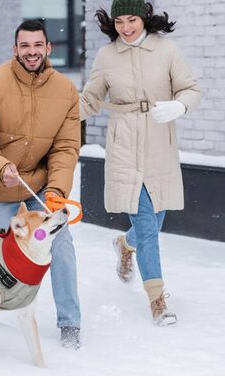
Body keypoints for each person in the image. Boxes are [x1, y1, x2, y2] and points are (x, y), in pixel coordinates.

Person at [80, 0, 201, 325]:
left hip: (160, 143)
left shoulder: (167, 49)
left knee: (154, 221)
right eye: (119, 22)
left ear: (144, 17)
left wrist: (180, 107)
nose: (126, 28)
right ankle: (158, 300)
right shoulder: (107, 56)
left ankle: (123, 244)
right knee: (147, 226)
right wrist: (57, 114)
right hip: (124, 144)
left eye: (131, 19)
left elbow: (191, 89)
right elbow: (90, 99)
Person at [0, 19, 81, 348]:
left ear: (48, 48)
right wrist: (0, 168)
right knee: (3, 257)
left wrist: (56, 192)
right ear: (15, 49)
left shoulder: (66, 91)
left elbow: (65, 148)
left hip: (40, 188)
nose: (32, 52)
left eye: (37, 45)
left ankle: (70, 324)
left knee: (60, 245)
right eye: (25, 46)